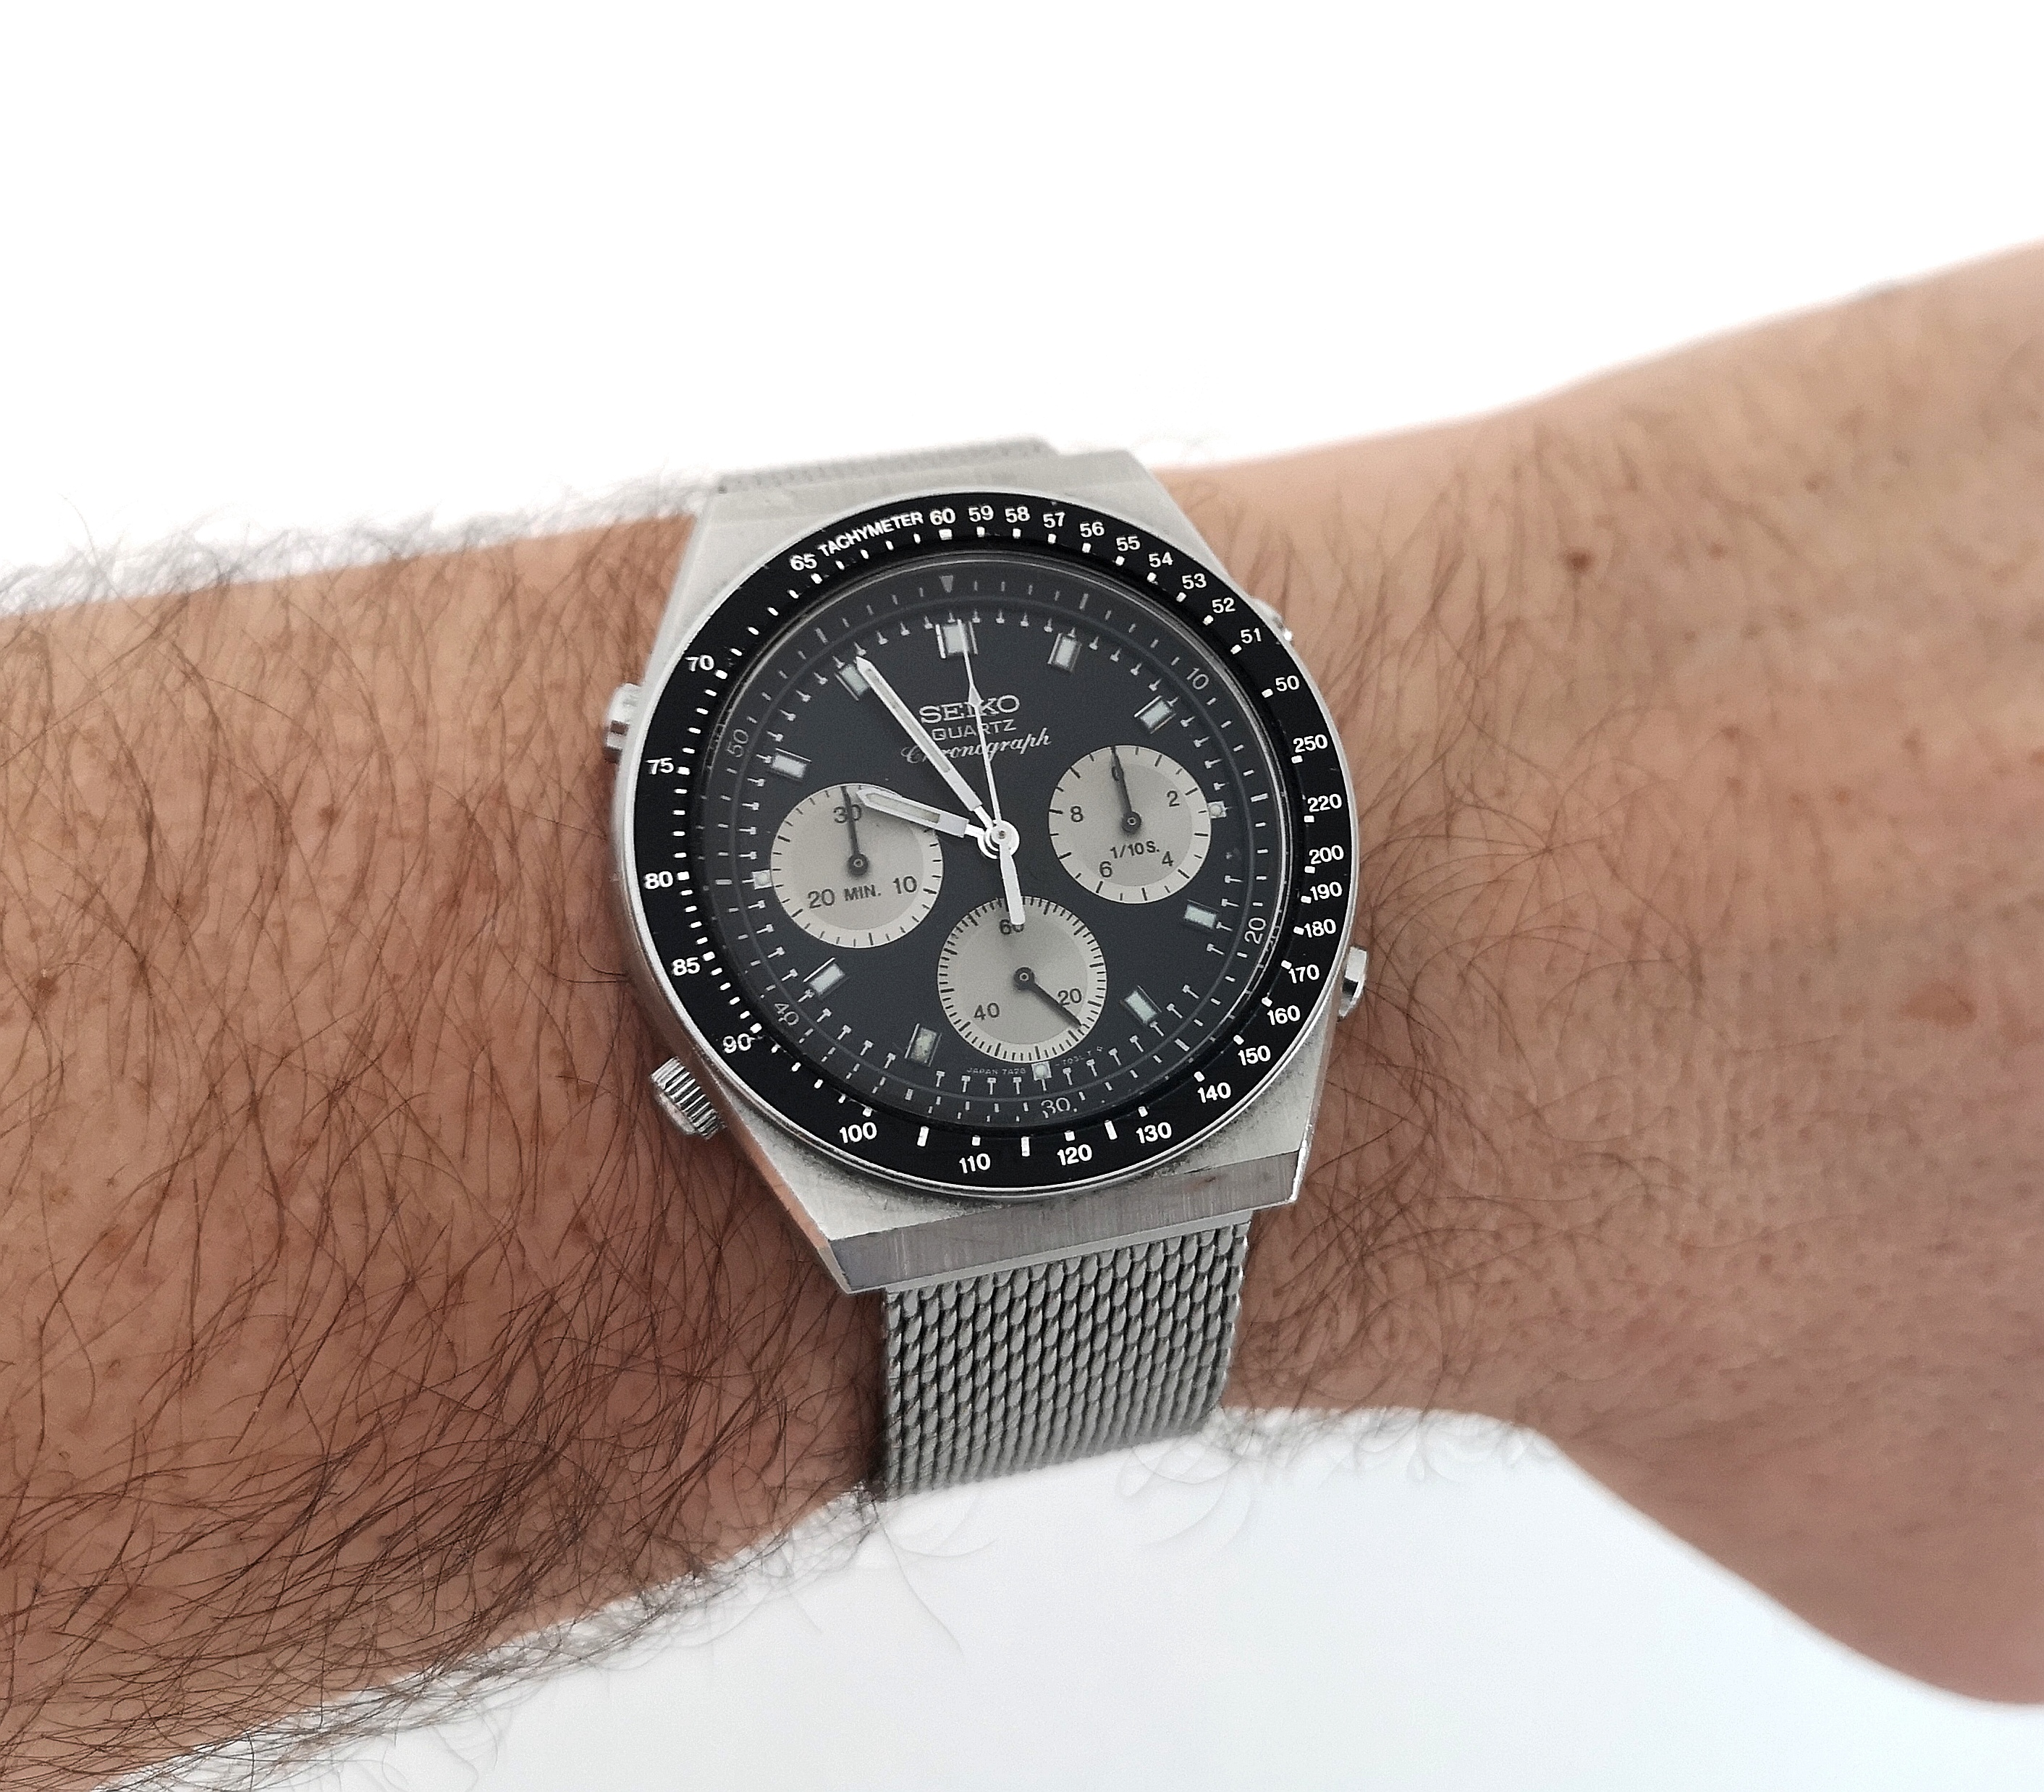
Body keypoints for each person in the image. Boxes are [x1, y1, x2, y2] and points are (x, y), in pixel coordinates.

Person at [4, 245, 2041, 1788]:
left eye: (1074, 813)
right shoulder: (725, 918)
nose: (999, 841)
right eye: (912, 836)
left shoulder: (1245, 893)